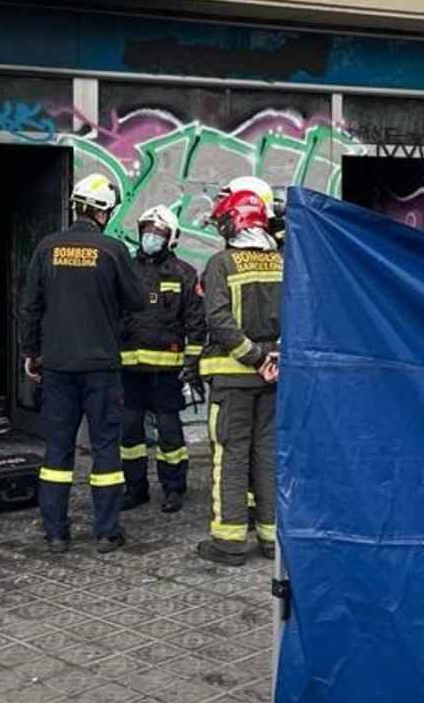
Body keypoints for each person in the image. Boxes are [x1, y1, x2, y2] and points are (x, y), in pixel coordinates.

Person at [20, 173, 145, 554]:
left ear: (76, 207)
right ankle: (106, 532)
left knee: (57, 450)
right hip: (101, 367)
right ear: (104, 212)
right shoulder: (112, 250)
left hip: (57, 365)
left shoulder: (46, 247)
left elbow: (30, 307)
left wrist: (31, 352)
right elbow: (138, 300)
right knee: (106, 447)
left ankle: (56, 532)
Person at [195, 186, 283, 566]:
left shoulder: (221, 264)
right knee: (267, 456)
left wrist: (254, 356)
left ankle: (229, 543)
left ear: (236, 222)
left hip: (233, 380)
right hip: (274, 379)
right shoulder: (282, 261)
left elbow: (217, 320)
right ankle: (270, 539)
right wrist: (273, 359)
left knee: (231, 457)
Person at [119, 205, 205, 514]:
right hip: (129, 369)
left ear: (171, 239)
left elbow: (196, 324)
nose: (150, 238)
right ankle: (135, 487)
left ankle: (173, 488)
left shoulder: (184, 273)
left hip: (168, 373)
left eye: (158, 233)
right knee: (129, 433)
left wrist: (192, 369)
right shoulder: (126, 269)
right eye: (147, 232)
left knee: (170, 433)